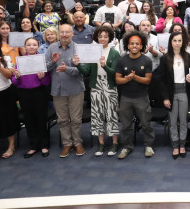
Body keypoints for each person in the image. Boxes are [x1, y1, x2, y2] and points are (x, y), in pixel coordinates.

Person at [76, 25, 119, 157]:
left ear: (110, 38)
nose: (103, 39)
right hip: (96, 85)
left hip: (110, 85)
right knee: (97, 114)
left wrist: (104, 66)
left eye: (105, 36)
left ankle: (115, 143)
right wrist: (78, 65)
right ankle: (101, 143)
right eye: (100, 36)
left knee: (111, 114)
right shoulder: (92, 52)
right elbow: (87, 72)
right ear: (96, 37)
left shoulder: (114, 53)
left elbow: (114, 74)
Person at [45, 23, 86, 158]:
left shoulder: (78, 48)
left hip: (75, 89)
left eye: (67, 32)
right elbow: (46, 68)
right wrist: (53, 61)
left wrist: (67, 69)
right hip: (58, 89)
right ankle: (67, 143)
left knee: (75, 119)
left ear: (72, 34)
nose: (64, 35)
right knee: (62, 120)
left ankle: (78, 142)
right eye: (62, 32)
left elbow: (82, 72)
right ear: (58, 34)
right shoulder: (52, 48)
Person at [115, 30, 155, 160]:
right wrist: (127, 79)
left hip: (142, 98)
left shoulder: (147, 60)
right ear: (127, 45)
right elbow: (118, 80)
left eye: (137, 44)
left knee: (146, 124)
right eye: (132, 43)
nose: (134, 46)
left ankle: (149, 145)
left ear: (141, 45)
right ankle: (127, 146)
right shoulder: (121, 60)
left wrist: (134, 77)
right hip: (125, 98)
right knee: (126, 125)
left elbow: (148, 81)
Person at [12, 36, 52, 158]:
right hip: (24, 94)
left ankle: (44, 145)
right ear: (25, 47)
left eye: (34, 45)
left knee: (41, 119)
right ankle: (33, 145)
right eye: (29, 45)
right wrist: (17, 77)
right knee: (29, 120)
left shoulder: (42, 60)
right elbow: (14, 81)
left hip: (39, 93)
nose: (31, 47)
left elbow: (47, 81)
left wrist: (41, 78)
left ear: (38, 46)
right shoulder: (19, 61)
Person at [158, 31, 190, 159]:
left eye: (179, 41)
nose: (177, 43)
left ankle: (182, 144)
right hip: (171, 93)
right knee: (172, 121)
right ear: (170, 42)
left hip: (184, 91)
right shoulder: (165, 58)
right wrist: (165, 97)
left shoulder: (187, 56)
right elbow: (161, 80)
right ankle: (175, 145)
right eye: (174, 40)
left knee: (183, 120)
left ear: (183, 42)